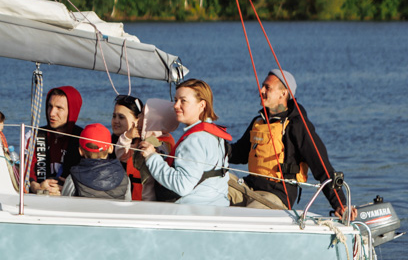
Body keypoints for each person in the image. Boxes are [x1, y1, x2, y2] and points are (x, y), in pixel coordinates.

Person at [227, 69, 354, 218]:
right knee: (211, 180)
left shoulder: (298, 126)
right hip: (248, 187)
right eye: (262, 86)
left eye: (267, 87)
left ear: (283, 93)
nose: (261, 91)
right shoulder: (259, 122)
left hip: (275, 195)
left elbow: (322, 167)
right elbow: (238, 153)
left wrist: (340, 204)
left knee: (249, 214)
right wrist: (211, 143)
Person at [138, 79, 231, 206]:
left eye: (183, 101)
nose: (176, 106)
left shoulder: (195, 140)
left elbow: (182, 186)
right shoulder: (214, 135)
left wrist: (152, 157)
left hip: (193, 209)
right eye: (176, 100)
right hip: (218, 205)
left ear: (202, 105)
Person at [111, 93, 175, 201]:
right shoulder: (136, 140)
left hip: (147, 200)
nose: (140, 117)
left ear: (153, 120)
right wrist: (127, 137)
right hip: (135, 198)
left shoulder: (159, 144)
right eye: (114, 116)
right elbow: (122, 155)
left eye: (143, 115)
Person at [28, 86, 82, 195]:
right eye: (50, 106)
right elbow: (25, 170)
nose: (52, 113)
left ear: (72, 111)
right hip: (38, 196)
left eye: (59, 108)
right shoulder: (34, 135)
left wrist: (69, 189)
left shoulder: (83, 138)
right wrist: (36, 187)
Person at [62, 123, 131, 200]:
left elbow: (65, 204)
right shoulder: (124, 177)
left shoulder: (73, 178)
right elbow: (128, 203)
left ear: (80, 151)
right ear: (111, 148)